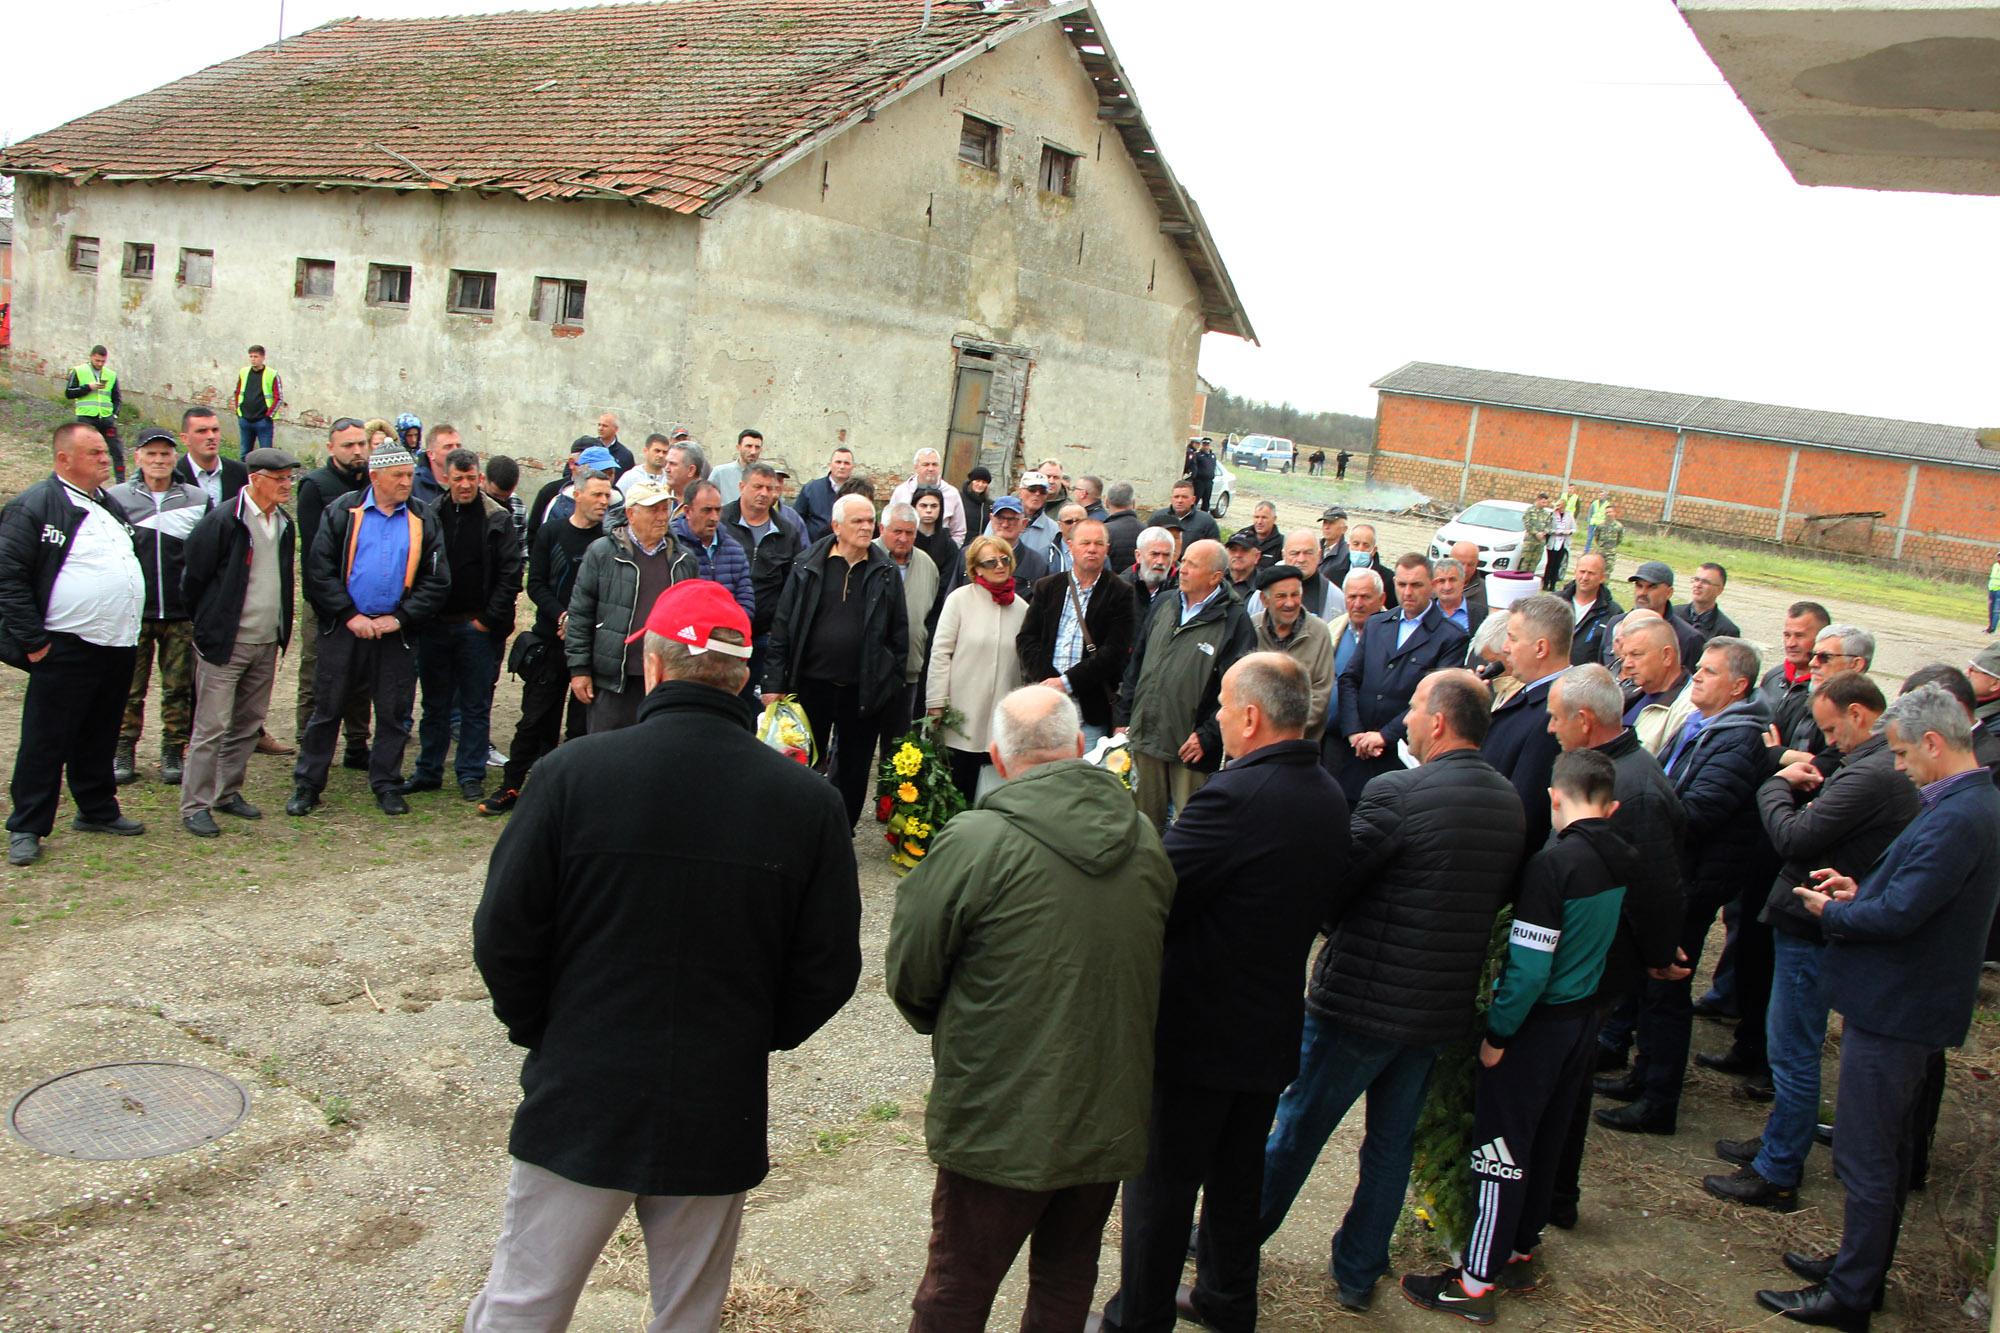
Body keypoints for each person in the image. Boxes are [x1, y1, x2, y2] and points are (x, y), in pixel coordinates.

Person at [468, 580, 861, 1333]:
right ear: (744, 678)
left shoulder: (568, 774)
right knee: (688, 1316)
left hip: (582, 1084)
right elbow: (827, 967)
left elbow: (504, 935)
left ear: (652, 666)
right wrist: (749, 1029)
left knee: (524, 1302)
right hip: (718, 1093)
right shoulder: (807, 802)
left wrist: (547, 1029)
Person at [887, 686, 1175, 1332]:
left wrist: (957, 1022)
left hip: (1001, 1109)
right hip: (1108, 1108)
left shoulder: (976, 840)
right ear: (1079, 748)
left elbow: (911, 971)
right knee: (1067, 1277)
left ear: (997, 755)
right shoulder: (1144, 838)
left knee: (957, 1284)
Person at [1259, 670, 1525, 1311]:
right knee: (1390, 1145)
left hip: (1360, 1001)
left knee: (1298, 1124)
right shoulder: (1508, 802)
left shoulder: (1398, 793)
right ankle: (1357, 1271)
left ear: (1438, 721)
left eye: (1412, 708)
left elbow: (1338, 880)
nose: (1404, 719)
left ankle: (1235, 1230)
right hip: (1437, 1010)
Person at [1099, 655, 1350, 1333]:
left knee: (1161, 1188)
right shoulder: (1327, 792)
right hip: (1268, 1022)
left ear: (1250, 715)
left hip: (1199, 1031)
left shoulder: (1235, 796)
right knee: (1236, 1183)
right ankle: (1227, 1298)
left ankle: (1139, 1317)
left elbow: (1160, 889)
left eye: (1221, 705)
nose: (1214, 716)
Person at [1758, 687, 2000, 1331]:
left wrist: (1835, 910)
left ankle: (1853, 1293)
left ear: (1933, 742)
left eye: (1900, 754)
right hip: (1906, 1001)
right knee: (1878, 1152)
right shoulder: (1965, 802)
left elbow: (1901, 915)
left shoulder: (1958, 814)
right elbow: (1917, 892)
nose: (1897, 768)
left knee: (1866, 1156)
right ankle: (1858, 1266)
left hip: (1898, 1008)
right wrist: (1861, 887)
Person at [1401, 748, 1638, 1322]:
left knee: (1499, 1150)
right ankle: (1521, 1244)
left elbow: (1530, 966)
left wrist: (1500, 1033)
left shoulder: (1553, 866)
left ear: (1554, 797)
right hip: (1583, 1019)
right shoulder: (1623, 856)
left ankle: (1475, 1281)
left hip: (1538, 1026)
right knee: (1547, 1135)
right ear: (1611, 804)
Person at [1703, 672, 1918, 1214]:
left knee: (1793, 1051)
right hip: (1808, 919)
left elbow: (1795, 836)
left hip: (1812, 926)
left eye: (1831, 730)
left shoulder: (1871, 775)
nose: (1828, 742)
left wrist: (1773, 785)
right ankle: (1779, 1141)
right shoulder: (1867, 766)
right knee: (1788, 1045)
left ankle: (1779, 1168)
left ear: (1859, 715)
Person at [1595, 637, 1776, 1136]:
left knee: (1667, 990)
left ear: (1739, 686)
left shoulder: (1739, 738)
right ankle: (1641, 1073)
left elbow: (1698, 813)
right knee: (1652, 985)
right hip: (1677, 871)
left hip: (1693, 880)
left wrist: (1641, 811)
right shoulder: (1705, 724)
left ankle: (1658, 1099)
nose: (1697, 678)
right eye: (1699, 670)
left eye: (1710, 673)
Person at [1541, 664, 1685, 1231]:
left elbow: (1658, 885)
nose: (1550, 728)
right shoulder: (1609, 769)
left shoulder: (1636, 788)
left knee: (1568, 1086)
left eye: (1556, 717)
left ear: (1583, 720)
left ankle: (1557, 1194)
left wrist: (1656, 953)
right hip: (1589, 956)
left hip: (1598, 964)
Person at [1, 424, 148, 866]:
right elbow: (8, 576)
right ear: (64, 459)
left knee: (100, 732)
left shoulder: (107, 504)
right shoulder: (36, 505)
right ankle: (27, 825)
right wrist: (32, 642)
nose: (107, 459)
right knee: (47, 738)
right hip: (65, 645)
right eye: (95, 453)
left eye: (106, 451)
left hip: (116, 643)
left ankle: (96, 808)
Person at [289, 441, 450, 818]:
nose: (406, 483)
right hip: (346, 628)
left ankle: (386, 783)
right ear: (375, 477)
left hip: (395, 632)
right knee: (327, 707)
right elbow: (319, 569)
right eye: (398, 476)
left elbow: (437, 579)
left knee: (394, 711)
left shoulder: (423, 518)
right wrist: (348, 615)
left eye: (410, 475)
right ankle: (308, 784)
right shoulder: (343, 512)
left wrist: (402, 618)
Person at [762, 494, 909, 825]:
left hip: (862, 688)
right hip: (811, 684)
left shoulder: (885, 571)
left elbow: (899, 634)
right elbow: (783, 628)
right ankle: (800, 830)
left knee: (855, 770)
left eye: (870, 521)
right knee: (802, 764)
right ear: (836, 526)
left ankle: (842, 833)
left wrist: (890, 684)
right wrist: (773, 683)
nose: (865, 527)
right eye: (857, 521)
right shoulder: (806, 565)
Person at [179, 450, 300, 837]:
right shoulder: (223, 521)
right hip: (226, 644)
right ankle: (194, 806)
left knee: (247, 725)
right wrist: (210, 625)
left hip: (265, 641)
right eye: (279, 478)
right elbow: (193, 579)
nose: (286, 485)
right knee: (210, 726)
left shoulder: (284, 523)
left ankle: (227, 793)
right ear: (256, 479)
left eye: (289, 478)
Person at [482, 471, 614, 815]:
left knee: (582, 726)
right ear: (579, 495)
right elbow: (536, 583)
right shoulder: (552, 533)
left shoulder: (611, 541)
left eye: (608, 496)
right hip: (549, 641)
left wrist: (582, 625)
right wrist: (563, 617)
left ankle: (569, 795)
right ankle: (511, 786)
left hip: (592, 645)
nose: (604, 502)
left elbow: (613, 593)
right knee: (535, 719)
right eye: (597, 495)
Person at [399, 449, 522, 802]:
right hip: (435, 625)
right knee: (435, 704)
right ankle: (428, 771)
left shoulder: (497, 518)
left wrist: (486, 621)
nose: (465, 485)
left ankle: (470, 773)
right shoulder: (430, 515)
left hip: (477, 629)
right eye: (458, 479)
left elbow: (510, 575)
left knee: (475, 705)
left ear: (480, 479)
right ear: (446, 479)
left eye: (471, 479)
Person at [1115, 539, 1256, 833]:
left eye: (1193, 565)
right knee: (1142, 825)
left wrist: (1207, 735)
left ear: (1215, 577)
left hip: (1191, 748)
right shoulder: (1166, 603)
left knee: (1190, 828)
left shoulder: (1233, 619)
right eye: (1184, 561)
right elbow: (1137, 663)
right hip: (1146, 736)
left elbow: (1239, 689)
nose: (1182, 569)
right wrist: (1124, 717)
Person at [107, 428, 210, 786]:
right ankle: (123, 749)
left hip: (180, 614)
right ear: (138, 457)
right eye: (151, 454)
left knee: (178, 687)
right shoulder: (116, 498)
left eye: (165, 454)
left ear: (174, 457)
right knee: (129, 688)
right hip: (134, 612)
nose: (159, 460)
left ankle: (172, 750)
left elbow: (205, 554)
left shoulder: (196, 499)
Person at [1335, 554, 1470, 801]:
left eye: (1416, 585)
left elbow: (1435, 700)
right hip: (1358, 750)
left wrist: (1385, 735)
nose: (1407, 592)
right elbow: (1349, 678)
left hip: (1403, 755)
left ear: (1432, 585)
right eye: (1401, 584)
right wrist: (1354, 731)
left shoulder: (1450, 637)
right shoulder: (1377, 624)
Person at [567, 482, 698, 735]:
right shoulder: (602, 553)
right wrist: (579, 669)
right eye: (653, 509)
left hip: (664, 676)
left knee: (655, 751)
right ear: (631, 514)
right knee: (607, 753)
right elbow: (581, 613)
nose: (662, 517)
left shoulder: (684, 560)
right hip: (614, 676)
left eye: (665, 508)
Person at [1018, 518, 1137, 748]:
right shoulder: (1047, 587)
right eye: (1085, 543)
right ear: (1070, 546)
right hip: (1045, 701)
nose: (1092, 549)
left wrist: (1067, 682)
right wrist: (1048, 682)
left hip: (1089, 707)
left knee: (1083, 778)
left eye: (1098, 543)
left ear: (1107, 549)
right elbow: (1027, 639)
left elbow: (1114, 652)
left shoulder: (1121, 592)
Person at [293, 418, 373, 762]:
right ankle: (307, 743)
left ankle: (357, 744)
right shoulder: (316, 485)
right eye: (348, 445)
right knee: (316, 672)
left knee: (361, 676)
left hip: (365, 598)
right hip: (325, 600)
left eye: (361, 444)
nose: (356, 451)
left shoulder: (373, 483)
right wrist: (331, 601)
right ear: (330, 448)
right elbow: (314, 553)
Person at [925, 536, 1027, 799]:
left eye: (1004, 559)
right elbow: (940, 652)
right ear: (976, 568)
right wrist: (936, 701)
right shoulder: (960, 600)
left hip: (1000, 718)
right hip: (961, 714)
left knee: (993, 790)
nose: (1000, 566)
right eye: (990, 562)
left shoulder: (1022, 608)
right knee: (957, 788)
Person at [1485, 593, 1572, 855]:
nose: (1506, 648)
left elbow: (1524, 810)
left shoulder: (1552, 713)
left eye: (1512, 638)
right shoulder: (1532, 694)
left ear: (1541, 648)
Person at [720, 461, 808, 692]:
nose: (764, 493)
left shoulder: (787, 532)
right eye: (757, 486)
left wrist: (779, 626)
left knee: (757, 702)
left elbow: (793, 584)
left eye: (770, 488)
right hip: (723, 633)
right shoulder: (721, 522)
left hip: (765, 635)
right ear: (741, 486)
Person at [875, 503, 940, 744]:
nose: (903, 538)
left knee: (899, 745)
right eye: (897, 531)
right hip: (865, 672)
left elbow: (931, 613)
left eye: (910, 533)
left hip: (908, 670)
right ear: (882, 528)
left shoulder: (927, 565)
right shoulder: (865, 556)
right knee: (854, 745)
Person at [1250, 565, 1334, 743]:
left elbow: (1321, 692)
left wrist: (1282, 733)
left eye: (1295, 595)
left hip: (1298, 745)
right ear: (1265, 600)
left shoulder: (1319, 632)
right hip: (1253, 741)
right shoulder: (1251, 628)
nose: (1290, 603)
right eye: (1281, 596)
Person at [1322, 567, 1386, 777]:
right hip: (1331, 741)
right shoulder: (1332, 630)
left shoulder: (1392, 635)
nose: (1358, 604)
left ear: (1381, 598)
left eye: (1365, 597)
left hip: (1370, 743)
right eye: (1352, 596)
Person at [670, 479, 754, 618]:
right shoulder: (672, 547)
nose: (714, 517)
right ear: (687, 511)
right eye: (707, 510)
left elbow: (746, 601)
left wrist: (727, 631)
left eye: (718, 510)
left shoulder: (734, 550)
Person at [1759, 602, 1833, 756]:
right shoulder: (1773, 677)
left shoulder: (1828, 690)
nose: (1790, 643)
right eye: (1787, 635)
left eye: (1799, 636)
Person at [1605, 561, 1703, 672]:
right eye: (1639, 585)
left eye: (1652, 587)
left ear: (1669, 592)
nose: (1642, 592)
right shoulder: (1615, 623)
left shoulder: (1687, 638)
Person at [1618, 613, 1695, 753]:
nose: (1626, 665)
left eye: (1636, 655)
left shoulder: (1687, 711)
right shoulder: (1633, 690)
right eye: (1624, 657)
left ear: (1667, 656)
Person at [66, 345, 125, 482]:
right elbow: (69, 393)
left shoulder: (111, 375)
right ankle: (81, 479)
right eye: (97, 360)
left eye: (102, 361)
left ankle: (121, 482)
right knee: (85, 451)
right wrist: (88, 387)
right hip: (86, 418)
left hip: (106, 419)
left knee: (116, 451)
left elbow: (117, 398)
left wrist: (114, 415)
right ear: (91, 357)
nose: (99, 364)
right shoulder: (79, 371)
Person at [172, 406, 248, 508]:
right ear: (185, 439)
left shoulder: (242, 472)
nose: (211, 436)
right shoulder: (173, 477)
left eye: (215, 430)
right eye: (202, 431)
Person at [887, 448, 968, 544]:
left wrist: (950, 552)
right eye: (926, 464)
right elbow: (889, 523)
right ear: (916, 467)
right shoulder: (901, 491)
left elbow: (959, 531)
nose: (930, 468)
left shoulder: (952, 493)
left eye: (934, 464)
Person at [1559, 551, 1620, 665]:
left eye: (1591, 573)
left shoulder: (1613, 613)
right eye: (1582, 572)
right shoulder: (1555, 603)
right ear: (1575, 572)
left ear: (1602, 577)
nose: (1585, 577)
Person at [985, 496, 1049, 596]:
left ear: (1024, 524)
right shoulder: (969, 556)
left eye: (1012, 519)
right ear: (991, 519)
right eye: (1000, 518)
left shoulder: (1037, 564)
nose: (1005, 524)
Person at [229, 344, 283, 457]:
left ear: (263, 357)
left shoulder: (271, 374)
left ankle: (265, 474)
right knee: (244, 453)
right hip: (245, 418)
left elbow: (278, 397)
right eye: (251, 356)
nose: (253, 359)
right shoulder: (244, 372)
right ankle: (244, 474)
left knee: (266, 455)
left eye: (256, 356)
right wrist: (239, 411)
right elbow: (238, 391)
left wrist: (268, 416)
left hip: (263, 421)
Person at [793, 446, 854, 543]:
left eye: (846, 463)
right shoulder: (811, 489)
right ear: (830, 465)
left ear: (852, 467)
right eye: (838, 462)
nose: (842, 466)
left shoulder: (857, 492)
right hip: (814, 549)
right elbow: (796, 520)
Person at [1674, 562, 1741, 647]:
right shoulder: (1673, 614)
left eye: (1705, 582)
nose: (1697, 585)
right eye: (1696, 579)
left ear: (1719, 590)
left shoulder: (1727, 631)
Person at [908, 485, 960, 593]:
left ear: (941, 509)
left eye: (934, 506)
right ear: (914, 507)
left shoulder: (948, 545)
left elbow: (947, 581)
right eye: (923, 505)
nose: (928, 510)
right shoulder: (906, 540)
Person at [1147, 479, 1220, 547]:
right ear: (1171, 499)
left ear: (1193, 500)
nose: (1180, 500)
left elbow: (1214, 549)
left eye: (1184, 497)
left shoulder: (1206, 521)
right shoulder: (1158, 517)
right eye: (1176, 497)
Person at [483, 454, 528, 562]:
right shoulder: (472, 503)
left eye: (506, 497)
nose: (501, 502)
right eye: (495, 496)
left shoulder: (518, 507)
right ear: (484, 479)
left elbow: (521, 552)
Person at [408, 422, 460, 512]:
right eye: (448, 447)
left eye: (458, 446)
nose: (456, 451)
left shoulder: (468, 481)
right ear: (431, 454)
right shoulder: (413, 485)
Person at [1126, 526, 1178, 613]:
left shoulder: (1180, 590)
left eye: (1166, 555)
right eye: (1155, 554)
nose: (1160, 561)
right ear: (1138, 556)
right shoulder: (1119, 589)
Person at [708, 428, 762, 507]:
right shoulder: (720, 473)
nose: (753, 451)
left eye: (757, 447)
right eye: (749, 446)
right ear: (738, 447)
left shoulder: (764, 476)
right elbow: (706, 500)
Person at [1013, 470, 1060, 561]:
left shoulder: (1054, 529)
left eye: (1042, 491)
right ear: (1020, 491)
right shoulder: (1001, 520)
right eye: (1032, 489)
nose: (1037, 494)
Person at [1100, 481, 1142, 574]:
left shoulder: (1102, 532)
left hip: (1111, 585)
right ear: (1134, 503)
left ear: (1106, 502)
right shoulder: (1147, 531)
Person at [1229, 501, 1284, 569]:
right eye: (1256, 517)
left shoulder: (1281, 544)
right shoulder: (1241, 536)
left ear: (1274, 519)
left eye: (1264, 518)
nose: (1259, 522)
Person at [616, 432, 673, 497]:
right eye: (657, 451)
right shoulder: (631, 477)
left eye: (664, 452)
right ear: (646, 451)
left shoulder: (670, 478)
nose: (661, 455)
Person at [1450, 540, 1490, 629]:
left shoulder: (1487, 592)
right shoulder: (1432, 586)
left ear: (1477, 563)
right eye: (1460, 563)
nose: (1465, 569)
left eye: (1470, 565)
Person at [1539, 502, 1575, 591]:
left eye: (1560, 505)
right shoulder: (1552, 514)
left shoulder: (1569, 515)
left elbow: (1574, 528)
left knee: (1557, 564)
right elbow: (1547, 527)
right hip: (1553, 542)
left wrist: (1568, 532)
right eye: (1557, 505)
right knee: (1550, 564)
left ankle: (1553, 585)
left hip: (1563, 542)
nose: (1558, 507)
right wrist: (1555, 531)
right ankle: (1545, 584)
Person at [1430, 556, 1472, 632]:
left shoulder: (1482, 614)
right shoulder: (1425, 612)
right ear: (1433, 585)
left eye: (1452, 580)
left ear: (1463, 582)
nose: (1447, 587)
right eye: (1441, 581)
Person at [1518, 494, 1552, 582]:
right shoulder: (1530, 511)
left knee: (1535, 562)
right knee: (1525, 562)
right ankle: (1521, 579)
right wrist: (1536, 533)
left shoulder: (1546, 514)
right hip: (1530, 541)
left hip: (1540, 542)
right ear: (1538, 500)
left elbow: (1549, 525)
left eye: (1546, 502)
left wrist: (1544, 532)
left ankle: (1529, 580)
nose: (1545, 504)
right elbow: (1527, 523)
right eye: (1543, 501)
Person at [1221, 529, 1262, 603]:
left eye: (1244, 550)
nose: (1238, 555)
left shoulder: (1263, 586)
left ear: (1257, 556)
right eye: (1233, 549)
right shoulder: (1215, 580)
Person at [960, 465, 994, 539]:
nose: (980, 484)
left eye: (984, 482)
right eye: (977, 481)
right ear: (971, 482)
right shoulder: (959, 499)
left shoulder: (989, 505)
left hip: (980, 546)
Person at [1594, 502, 1626, 574]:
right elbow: (1596, 537)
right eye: (1606, 512)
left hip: (1611, 553)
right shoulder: (1600, 526)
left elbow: (1619, 539)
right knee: (1597, 571)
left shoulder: (1619, 526)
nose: (1608, 514)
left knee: (1607, 573)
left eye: (1610, 512)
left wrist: (1612, 547)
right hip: (1600, 552)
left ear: (1614, 513)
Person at [1189, 438, 1218, 512]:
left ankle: (1204, 516)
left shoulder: (1213, 456)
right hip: (1199, 482)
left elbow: (1213, 467)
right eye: (1204, 445)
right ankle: (1191, 515)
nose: (1206, 447)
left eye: (1207, 445)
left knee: (1206, 501)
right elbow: (1194, 467)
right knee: (1195, 500)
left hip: (1209, 482)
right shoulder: (1198, 455)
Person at [1320, 508, 1350, 574]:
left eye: (1331, 523)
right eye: (1325, 523)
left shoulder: (1347, 555)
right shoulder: (1315, 547)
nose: (1326, 527)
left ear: (1344, 529)